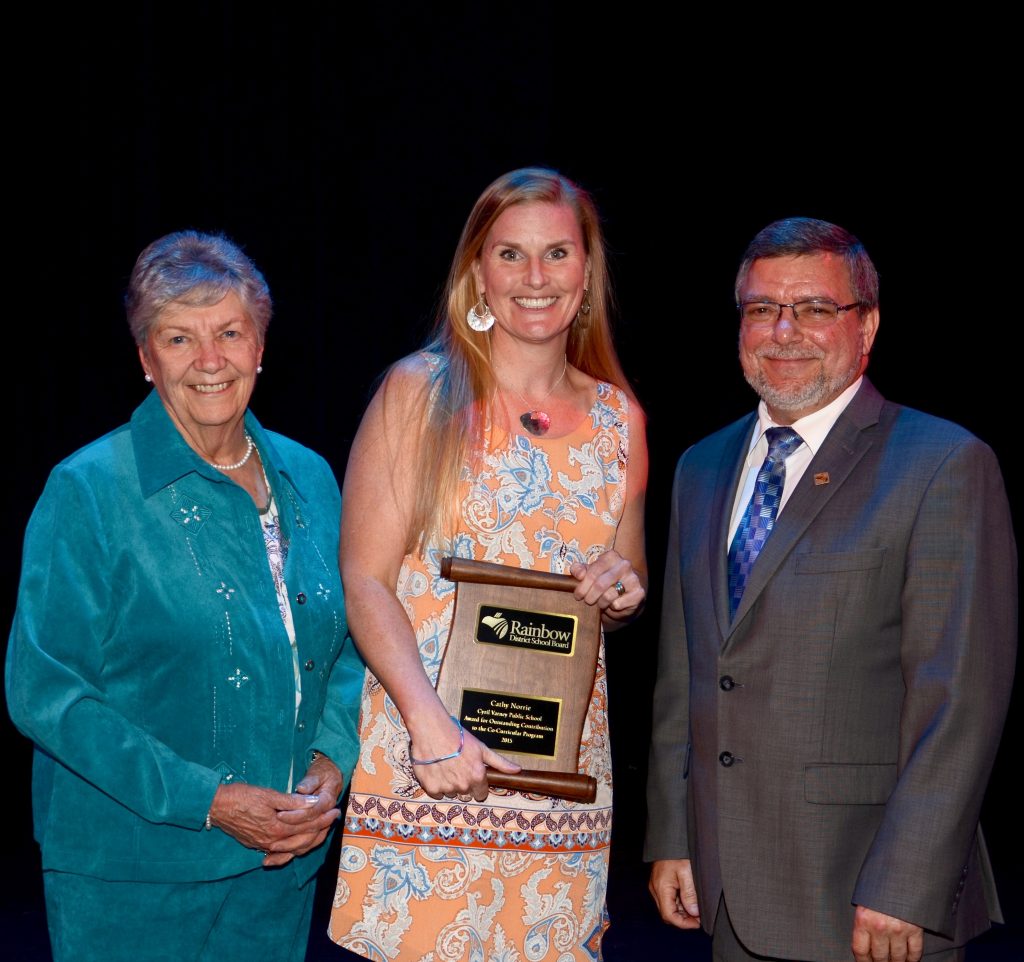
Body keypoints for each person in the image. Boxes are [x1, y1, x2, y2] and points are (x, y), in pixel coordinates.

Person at [645, 217, 1016, 961]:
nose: (785, 331)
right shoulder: (701, 467)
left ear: (867, 323)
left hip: (866, 902)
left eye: (815, 308)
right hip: (727, 892)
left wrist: (904, 884)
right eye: (761, 309)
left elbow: (959, 702)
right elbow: (685, 675)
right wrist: (674, 835)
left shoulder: (942, 464)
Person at [6, 230, 364, 962]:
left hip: (277, 869)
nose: (210, 360)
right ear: (145, 358)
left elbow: (351, 646)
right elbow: (46, 690)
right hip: (131, 875)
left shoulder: (313, 478)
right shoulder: (89, 490)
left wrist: (333, 761)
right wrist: (210, 800)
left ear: (261, 345)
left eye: (230, 332)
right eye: (178, 338)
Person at [328, 167, 648, 959]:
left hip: (558, 783)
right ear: (478, 270)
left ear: (586, 270)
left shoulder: (621, 420)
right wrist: (430, 727)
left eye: (556, 254)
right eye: (511, 255)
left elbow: (624, 584)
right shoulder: (417, 393)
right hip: (429, 761)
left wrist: (623, 588)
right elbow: (364, 579)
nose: (535, 279)